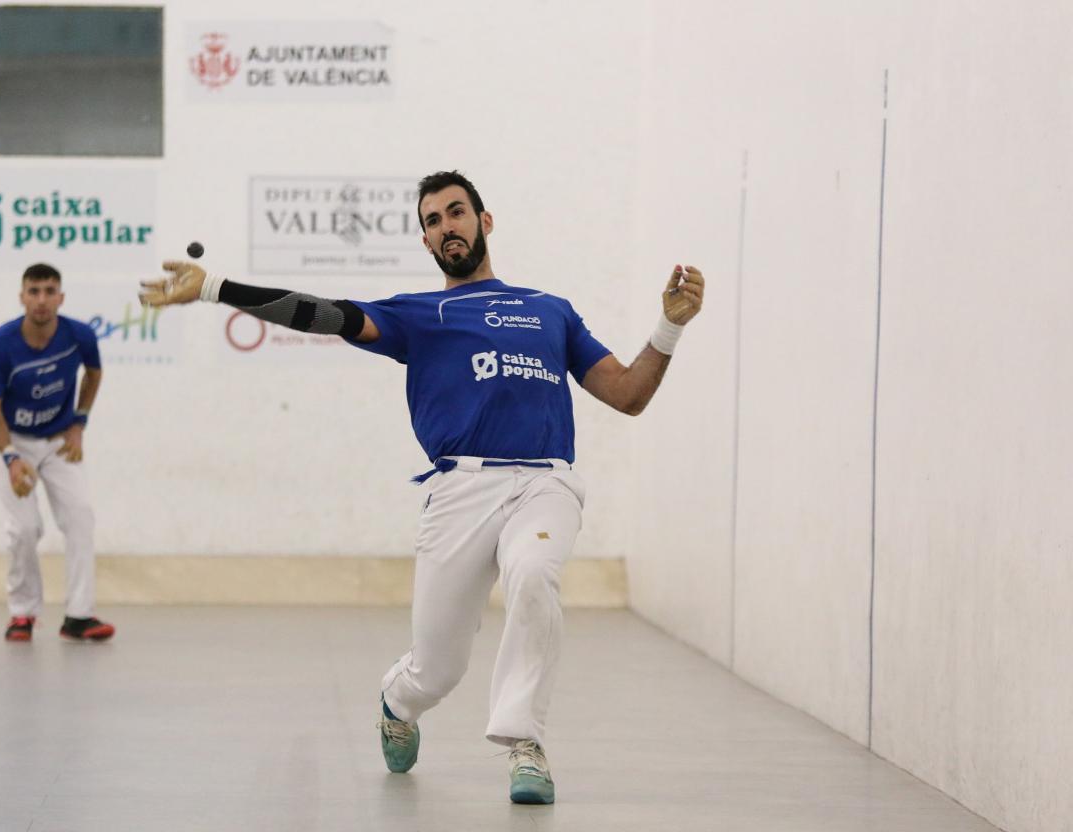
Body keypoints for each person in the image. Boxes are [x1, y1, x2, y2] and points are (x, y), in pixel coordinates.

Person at [139, 171, 703, 804]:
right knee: (438, 669)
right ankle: (397, 702)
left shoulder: (551, 310)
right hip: (458, 492)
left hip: (545, 483)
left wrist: (670, 327)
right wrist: (217, 287)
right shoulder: (419, 315)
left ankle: (525, 745)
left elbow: (627, 394)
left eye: (456, 213)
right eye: (432, 222)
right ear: (427, 242)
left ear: (485, 222)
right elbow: (325, 314)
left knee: (535, 573)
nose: (445, 227)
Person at [0, 263, 115, 643]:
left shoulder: (79, 335)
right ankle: (22, 615)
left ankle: (78, 617)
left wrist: (79, 424)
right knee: (24, 529)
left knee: (81, 517)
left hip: (57, 442)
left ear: (61, 297)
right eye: (34, 291)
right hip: (9, 440)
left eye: (49, 291)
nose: (41, 299)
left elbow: (94, 373)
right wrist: (10, 458)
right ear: (22, 297)